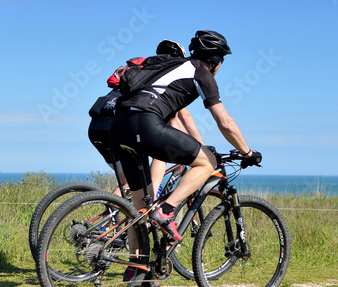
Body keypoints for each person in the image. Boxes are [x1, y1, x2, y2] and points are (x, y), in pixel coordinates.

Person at [110, 30, 261, 242]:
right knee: (208, 162)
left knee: (140, 210)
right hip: (145, 123)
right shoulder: (201, 73)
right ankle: (167, 210)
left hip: (118, 125)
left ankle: (136, 268)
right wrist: (248, 153)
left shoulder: (170, 65)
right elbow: (225, 122)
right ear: (216, 60)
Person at [87, 40, 203, 196]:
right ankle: (152, 199)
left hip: (97, 127)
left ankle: (113, 215)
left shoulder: (141, 71)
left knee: (127, 185)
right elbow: (184, 118)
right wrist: (200, 146)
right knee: (159, 156)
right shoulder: (166, 79)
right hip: (119, 125)